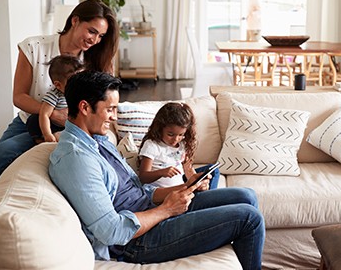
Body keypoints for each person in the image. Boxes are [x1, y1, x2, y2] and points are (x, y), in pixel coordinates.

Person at [49, 71, 265, 269]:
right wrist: (167, 209)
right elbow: (111, 231)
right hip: (137, 239)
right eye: (110, 109)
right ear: (85, 108)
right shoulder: (76, 159)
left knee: (245, 195)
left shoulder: (98, 140)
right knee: (249, 218)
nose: (114, 117)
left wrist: (183, 188)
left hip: (151, 209)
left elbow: (138, 189)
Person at [0, 0, 119, 199]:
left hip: (69, 127)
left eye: (101, 36)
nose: (95, 40)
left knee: (6, 152)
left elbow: (103, 104)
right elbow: (19, 97)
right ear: (75, 21)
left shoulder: (95, 60)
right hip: (30, 119)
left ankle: (9, 201)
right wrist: (53, 113)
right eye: (92, 31)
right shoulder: (34, 47)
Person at [138, 102, 220, 189]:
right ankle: (207, 197)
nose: (176, 139)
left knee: (213, 170)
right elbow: (143, 177)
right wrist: (162, 172)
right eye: (170, 134)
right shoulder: (152, 145)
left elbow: (188, 170)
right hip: (166, 193)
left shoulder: (181, 144)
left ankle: (206, 195)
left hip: (183, 188)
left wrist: (197, 183)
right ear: (160, 128)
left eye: (180, 135)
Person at [26, 56, 84, 143]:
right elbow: (44, 114)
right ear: (58, 85)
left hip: (70, 126)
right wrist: (47, 134)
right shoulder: (54, 95)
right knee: (34, 119)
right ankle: (39, 140)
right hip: (54, 126)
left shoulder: (81, 94)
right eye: (74, 83)